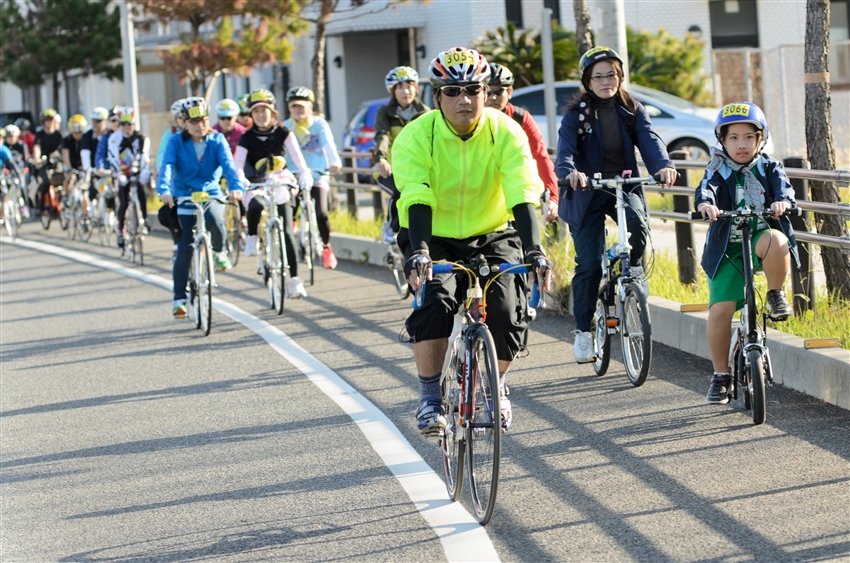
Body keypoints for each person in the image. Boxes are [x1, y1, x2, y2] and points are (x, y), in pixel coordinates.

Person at [392, 46, 552, 435]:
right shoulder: (416, 136)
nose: (464, 99)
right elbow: (416, 195)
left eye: (473, 90)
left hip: (494, 230)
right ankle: (430, 398)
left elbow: (522, 192)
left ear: (485, 92)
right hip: (433, 233)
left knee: (508, 309)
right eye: (452, 91)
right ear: (437, 97)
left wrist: (534, 250)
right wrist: (421, 252)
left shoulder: (506, 131)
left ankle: (491, 387)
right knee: (435, 300)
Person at [555, 46, 677, 364]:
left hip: (623, 186)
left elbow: (649, 139)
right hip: (587, 192)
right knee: (589, 265)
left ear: (620, 77)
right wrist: (570, 174)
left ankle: (632, 271)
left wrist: (662, 166)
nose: (606, 81)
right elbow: (565, 152)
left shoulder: (632, 109)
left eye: (612, 74)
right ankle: (583, 332)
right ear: (587, 80)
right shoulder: (575, 115)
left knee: (638, 227)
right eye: (599, 76)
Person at [695, 101, 797, 404]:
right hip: (728, 247)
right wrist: (705, 205)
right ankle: (720, 375)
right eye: (734, 138)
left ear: (760, 139)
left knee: (777, 239)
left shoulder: (770, 166)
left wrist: (783, 203)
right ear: (723, 141)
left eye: (749, 137)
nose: (742, 144)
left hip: (760, 240)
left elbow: (785, 191)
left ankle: (776, 295)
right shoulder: (716, 168)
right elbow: (705, 189)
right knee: (720, 312)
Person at [157, 97, 245, 318]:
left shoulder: (217, 141)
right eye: (194, 121)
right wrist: (164, 190)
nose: (200, 125)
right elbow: (166, 166)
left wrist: (236, 188)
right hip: (184, 196)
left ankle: (219, 250)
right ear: (184, 123)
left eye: (204, 120)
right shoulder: (176, 142)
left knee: (216, 221)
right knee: (185, 247)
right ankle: (179, 299)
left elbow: (229, 166)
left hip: (211, 193)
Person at [234, 88, 313, 299]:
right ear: (251, 114)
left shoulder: (283, 133)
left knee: (287, 232)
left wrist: (305, 175)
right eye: (256, 111)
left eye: (265, 110)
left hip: (281, 181)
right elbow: (238, 164)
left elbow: (298, 159)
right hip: (258, 183)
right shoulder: (246, 137)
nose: (261, 115)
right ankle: (252, 236)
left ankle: (295, 281)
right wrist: (240, 178)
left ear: (273, 112)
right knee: (256, 205)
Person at [485, 63, 559, 223]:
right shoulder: (472, 120)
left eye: (498, 91)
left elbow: (540, 156)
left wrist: (552, 197)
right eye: (487, 91)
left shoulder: (520, 118)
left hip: (514, 187)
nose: (492, 97)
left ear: (510, 92)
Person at [283, 87, 342, 269]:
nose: (298, 110)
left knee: (321, 211)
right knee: (287, 206)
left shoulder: (319, 124)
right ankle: (290, 232)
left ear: (310, 107)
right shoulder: (285, 127)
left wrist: (334, 162)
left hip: (318, 174)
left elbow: (328, 144)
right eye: (294, 107)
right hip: (293, 175)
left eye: (302, 106)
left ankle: (326, 248)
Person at [371, 66, 430, 244]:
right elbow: (382, 135)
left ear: (416, 88)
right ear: (392, 91)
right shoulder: (385, 112)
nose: (406, 91)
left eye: (410, 85)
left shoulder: (425, 112)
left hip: (416, 169)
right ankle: (390, 226)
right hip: (390, 168)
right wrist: (380, 159)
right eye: (400, 86)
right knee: (400, 192)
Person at [107, 106, 151, 249]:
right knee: (124, 201)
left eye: (130, 124)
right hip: (121, 172)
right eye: (124, 124)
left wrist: (145, 171)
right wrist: (118, 174)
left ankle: (145, 218)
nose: (128, 127)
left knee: (140, 191)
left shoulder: (141, 138)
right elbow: (113, 158)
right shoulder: (114, 138)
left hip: (136, 170)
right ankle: (120, 230)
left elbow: (145, 156)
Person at [32, 109, 65, 213]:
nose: (49, 122)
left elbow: (64, 148)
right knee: (46, 181)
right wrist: (37, 159)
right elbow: (36, 147)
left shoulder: (60, 133)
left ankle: (62, 202)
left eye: (51, 119)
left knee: (61, 179)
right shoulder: (40, 134)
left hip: (56, 159)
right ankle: (41, 202)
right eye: (46, 120)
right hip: (44, 160)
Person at [80, 107, 112, 215]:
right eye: (93, 121)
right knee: (91, 187)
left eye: (98, 121)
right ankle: (91, 209)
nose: (95, 124)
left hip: (108, 167)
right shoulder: (87, 135)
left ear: (105, 121)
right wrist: (88, 170)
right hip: (94, 167)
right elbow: (85, 153)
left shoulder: (110, 135)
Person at [157, 100, 186, 170]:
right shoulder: (170, 134)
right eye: (180, 117)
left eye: (187, 117)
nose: (184, 120)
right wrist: (161, 168)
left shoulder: (198, 132)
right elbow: (163, 153)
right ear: (176, 119)